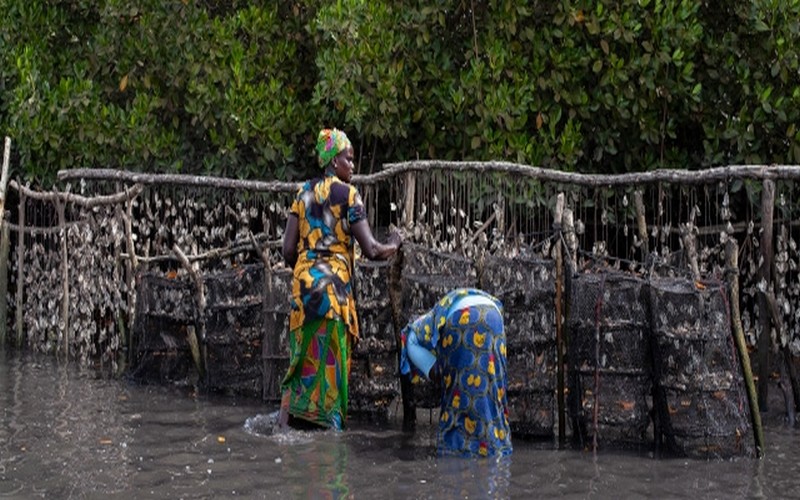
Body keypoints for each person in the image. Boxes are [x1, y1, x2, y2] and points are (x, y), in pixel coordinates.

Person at [279, 127, 401, 431]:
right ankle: (329, 444)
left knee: (298, 365)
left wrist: (307, 271)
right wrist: (396, 243)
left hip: (303, 292)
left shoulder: (303, 192)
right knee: (331, 371)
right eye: (349, 159)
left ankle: (283, 429)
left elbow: (286, 249)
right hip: (333, 296)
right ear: (334, 161)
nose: (353, 166)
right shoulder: (349, 195)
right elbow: (372, 249)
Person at [399, 288, 513, 458]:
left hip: (461, 318)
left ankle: (457, 449)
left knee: (457, 396)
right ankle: (497, 448)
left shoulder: (423, 324)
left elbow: (409, 340)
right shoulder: (453, 303)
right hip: (494, 317)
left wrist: (434, 370)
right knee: (493, 388)